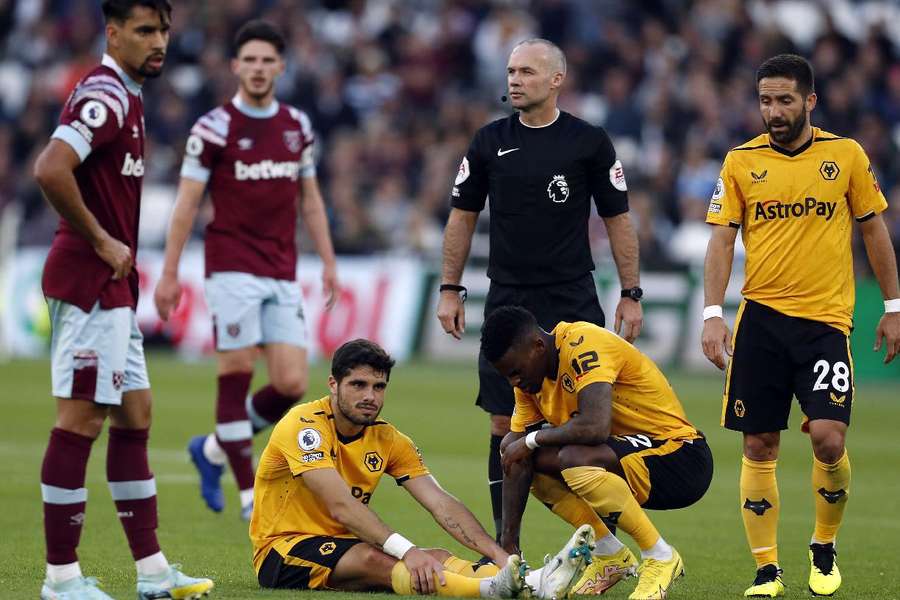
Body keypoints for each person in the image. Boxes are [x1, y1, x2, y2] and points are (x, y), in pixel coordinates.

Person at [701, 54, 900, 598]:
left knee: (830, 440)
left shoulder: (846, 155)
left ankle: (823, 545)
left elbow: (874, 230)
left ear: (810, 101)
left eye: (785, 100)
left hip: (824, 323)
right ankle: (767, 569)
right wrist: (713, 314)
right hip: (761, 320)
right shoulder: (741, 161)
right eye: (766, 100)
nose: (774, 111)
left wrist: (893, 306)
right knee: (759, 446)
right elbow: (720, 240)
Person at [32, 2, 213, 599]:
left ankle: (154, 573)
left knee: (135, 417)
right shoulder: (104, 96)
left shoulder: (129, 96)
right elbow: (50, 168)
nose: (158, 41)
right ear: (113, 34)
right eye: (144, 31)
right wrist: (104, 238)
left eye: (163, 30)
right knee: (80, 421)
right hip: (87, 282)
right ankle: (61, 580)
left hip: (112, 288)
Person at [437, 37, 644, 544]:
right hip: (508, 300)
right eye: (511, 71)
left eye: (527, 72)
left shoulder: (589, 142)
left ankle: (609, 541)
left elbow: (618, 218)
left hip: (572, 299)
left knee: (592, 422)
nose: (514, 80)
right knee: (502, 423)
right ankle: (505, 546)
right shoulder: (488, 142)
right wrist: (450, 287)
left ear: (556, 80)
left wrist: (631, 293)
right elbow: (462, 217)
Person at [153, 20, 339, 521]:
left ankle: (211, 449)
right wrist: (169, 273)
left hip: (281, 268)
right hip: (230, 265)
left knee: (291, 383)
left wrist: (327, 260)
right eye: (249, 61)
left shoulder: (297, 126)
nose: (258, 69)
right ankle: (246, 493)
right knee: (235, 373)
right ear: (235, 67)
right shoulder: (212, 128)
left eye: (267, 61)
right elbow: (187, 204)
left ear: (281, 66)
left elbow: (312, 199)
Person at [250, 338, 594, 599]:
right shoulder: (303, 425)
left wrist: (497, 554)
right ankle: (493, 590)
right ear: (333, 384)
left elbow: (441, 504)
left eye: (378, 386)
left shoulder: (388, 439)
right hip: (283, 550)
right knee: (383, 560)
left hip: (343, 547)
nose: (370, 396)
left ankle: (533, 582)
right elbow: (341, 506)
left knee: (438, 557)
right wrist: (408, 551)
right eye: (358, 385)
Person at [482, 306, 713, 600]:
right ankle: (609, 553)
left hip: (681, 457)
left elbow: (595, 427)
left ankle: (660, 555)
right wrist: (508, 546)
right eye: (507, 377)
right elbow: (513, 451)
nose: (513, 382)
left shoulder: (583, 344)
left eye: (515, 372)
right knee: (518, 455)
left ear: (538, 346)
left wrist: (531, 440)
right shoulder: (529, 382)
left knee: (570, 457)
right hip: (627, 460)